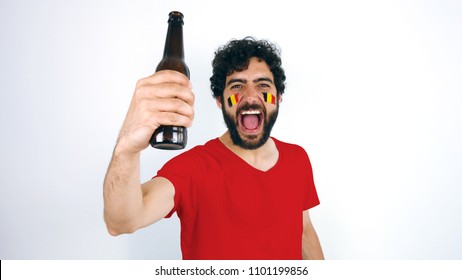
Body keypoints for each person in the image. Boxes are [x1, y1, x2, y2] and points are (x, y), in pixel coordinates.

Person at [103, 37, 324, 260]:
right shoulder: (193, 168)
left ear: (278, 98)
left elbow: (303, 231)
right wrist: (127, 148)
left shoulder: (298, 159)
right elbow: (122, 221)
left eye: (263, 85)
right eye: (237, 86)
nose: (250, 96)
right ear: (220, 99)